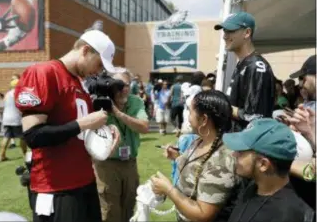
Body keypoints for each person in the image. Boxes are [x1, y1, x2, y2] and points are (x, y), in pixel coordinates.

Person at [14, 29, 122, 222]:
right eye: (98, 64)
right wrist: (82, 124)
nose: (98, 71)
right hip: (57, 187)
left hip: (84, 181)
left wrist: (103, 134)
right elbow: (33, 136)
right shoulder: (43, 72)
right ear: (86, 50)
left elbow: (77, 132)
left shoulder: (79, 83)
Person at [151, 90, 242, 222]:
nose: (187, 116)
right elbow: (199, 168)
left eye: (190, 111)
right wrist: (178, 157)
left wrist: (169, 190)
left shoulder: (221, 161)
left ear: (204, 119)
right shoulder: (200, 141)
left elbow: (203, 214)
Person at [223, 118, 315, 222]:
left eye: (241, 152)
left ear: (263, 164)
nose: (234, 154)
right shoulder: (255, 186)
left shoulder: (285, 215)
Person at [94, 70, 149, 222]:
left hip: (130, 163)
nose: (124, 89)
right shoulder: (99, 104)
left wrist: (118, 113)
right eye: (119, 85)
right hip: (107, 165)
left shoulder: (135, 101)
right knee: (110, 211)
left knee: (129, 207)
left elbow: (144, 127)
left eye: (127, 85)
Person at [214, 12, 275, 131]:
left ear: (247, 33)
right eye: (224, 31)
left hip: (249, 145)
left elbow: (256, 117)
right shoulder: (243, 63)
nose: (225, 36)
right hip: (238, 140)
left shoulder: (256, 66)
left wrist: (222, 106)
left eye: (230, 31)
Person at [0, 79, 27, 162]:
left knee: (6, 136)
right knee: (23, 137)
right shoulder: (18, 93)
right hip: (16, 118)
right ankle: (25, 154)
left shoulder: (7, 93)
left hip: (6, 118)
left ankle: (2, 155)